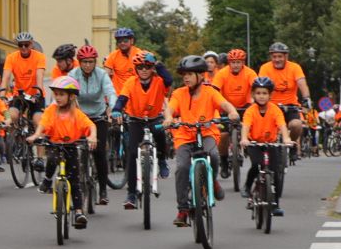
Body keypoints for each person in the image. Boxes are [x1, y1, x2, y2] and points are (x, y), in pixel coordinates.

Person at [163, 55, 239, 227]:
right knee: (182, 167)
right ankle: (182, 209)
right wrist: (168, 118)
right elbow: (170, 109)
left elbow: (225, 104)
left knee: (214, 155)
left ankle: (212, 180)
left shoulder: (210, 91)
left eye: (190, 74)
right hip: (184, 136)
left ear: (201, 75)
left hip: (207, 133)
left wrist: (233, 112)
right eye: (184, 74)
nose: (186, 78)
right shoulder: (179, 93)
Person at [27, 76, 97, 229]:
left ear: (71, 96)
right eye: (56, 94)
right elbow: (43, 123)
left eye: (61, 94)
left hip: (71, 146)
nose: (57, 98)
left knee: (75, 180)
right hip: (54, 144)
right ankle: (47, 179)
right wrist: (36, 135)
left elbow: (90, 126)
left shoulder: (76, 113)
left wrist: (92, 136)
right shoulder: (51, 110)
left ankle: (79, 211)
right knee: (52, 158)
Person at [113, 51, 173, 210]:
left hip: (154, 118)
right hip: (136, 120)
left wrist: (158, 65)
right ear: (136, 69)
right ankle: (131, 194)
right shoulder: (131, 82)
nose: (144, 70)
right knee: (132, 154)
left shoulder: (159, 81)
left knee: (160, 134)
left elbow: (169, 79)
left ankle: (161, 159)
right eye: (140, 67)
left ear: (152, 68)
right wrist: (117, 110)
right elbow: (122, 98)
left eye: (147, 66)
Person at [67, 44, 117, 205]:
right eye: (84, 62)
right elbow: (63, 92)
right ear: (79, 62)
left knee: (99, 152)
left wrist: (114, 109)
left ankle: (102, 190)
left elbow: (111, 92)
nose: (87, 65)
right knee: (72, 150)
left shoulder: (102, 75)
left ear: (95, 62)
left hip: (98, 116)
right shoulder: (73, 74)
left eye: (91, 61)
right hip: (79, 117)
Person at [240, 76, 293, 215]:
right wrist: (244, 138)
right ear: (253, 94)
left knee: (275, 172)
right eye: (258, 93)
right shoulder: (250, 110)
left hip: (271, 143)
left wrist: (286, 138)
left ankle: (275, 204)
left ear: (270, 95)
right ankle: (247, 186)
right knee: (256, 165)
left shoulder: (275, 110)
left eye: (264, 93)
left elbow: (282, 125)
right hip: (254, 143)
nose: (261, 96)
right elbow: (246, 125)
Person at [212, 48, 257, 178]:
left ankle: (248, 147)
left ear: (243, 62)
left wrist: (254, 101)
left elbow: (256, 88)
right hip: (227, 107)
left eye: (239, 62)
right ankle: (224, 161)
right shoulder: (222, 73)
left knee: (251, 128)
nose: (236, 65)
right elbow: (214, 91)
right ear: (229, 63)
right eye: (233, 62)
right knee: (224, 135)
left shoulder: (250, 73)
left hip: (245, 106)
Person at [258, 42, 310, 155]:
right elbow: (260, 86)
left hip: (290, 105)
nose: (277, 59)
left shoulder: (295, 67)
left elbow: (302, 83)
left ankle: (291, 144)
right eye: (274, 56)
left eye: (280, 56)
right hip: (271, 106)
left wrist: (306, 99)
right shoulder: (265, 68)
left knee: (296, 125)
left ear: (286, 56)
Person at [0, 31, 46, 124]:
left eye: (26, 44)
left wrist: (38, 93)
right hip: (19, 95)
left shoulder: (39, 56)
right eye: (21, 45)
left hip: (35, 95)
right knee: (12, 116)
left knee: (38, 121)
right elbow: (6, 77)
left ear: (31, 44)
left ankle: (38, 138)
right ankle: (12, 137)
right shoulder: (11, 57)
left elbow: (39, 76)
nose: (24, 47)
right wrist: (2, 95)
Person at [103, 27, 142, 94]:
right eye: (119, 41)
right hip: (118, 96)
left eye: (125, 41)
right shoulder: (113, 56)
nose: (122, 43)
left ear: (131, 41)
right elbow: (105, 75)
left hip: (135, 95)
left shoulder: (139, 54)